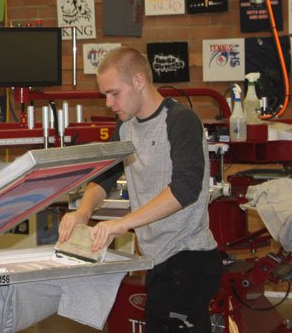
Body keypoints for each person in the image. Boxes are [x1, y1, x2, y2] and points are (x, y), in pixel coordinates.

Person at [58, 47, 222, 333]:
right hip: (157, 260)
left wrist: (122, 225)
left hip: (189, 259)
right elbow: (106, 177)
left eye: (113, 93)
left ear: (138, 81)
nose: (108, 103)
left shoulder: (180, 122)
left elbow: (185, 189)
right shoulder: (125, 126)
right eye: (104, 95)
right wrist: (82, 213)